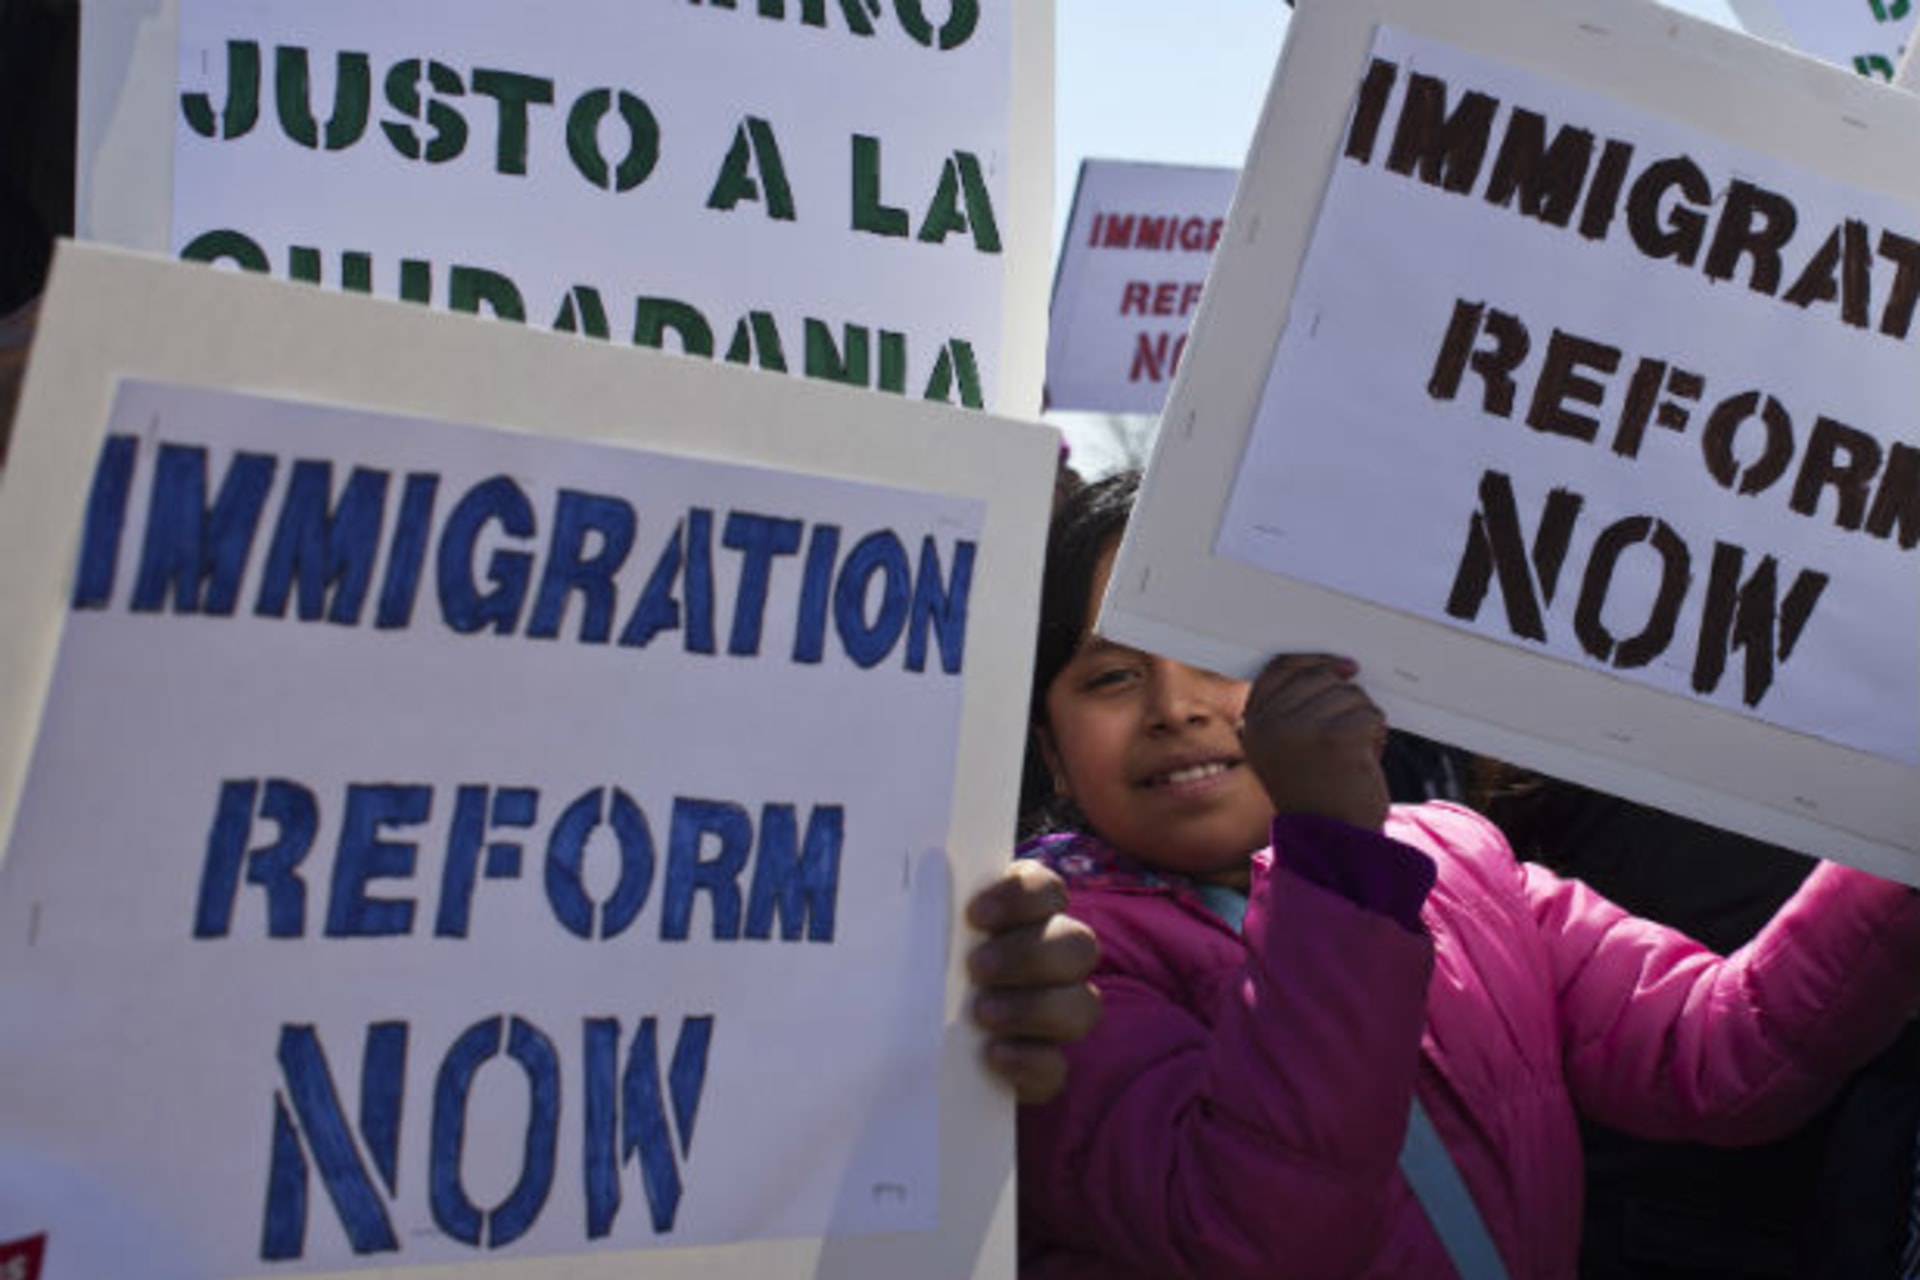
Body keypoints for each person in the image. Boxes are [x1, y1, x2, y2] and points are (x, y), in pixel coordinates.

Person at [1013, 469, 1920, 1278]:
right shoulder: (1047, 965)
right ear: (1051, 751)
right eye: (1112, 679)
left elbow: (1732, 1051)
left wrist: (1898, 841)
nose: (1176, 708)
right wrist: (1335, 858)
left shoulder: (1461, 861)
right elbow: (1260, 1235)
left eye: (1213, 651)